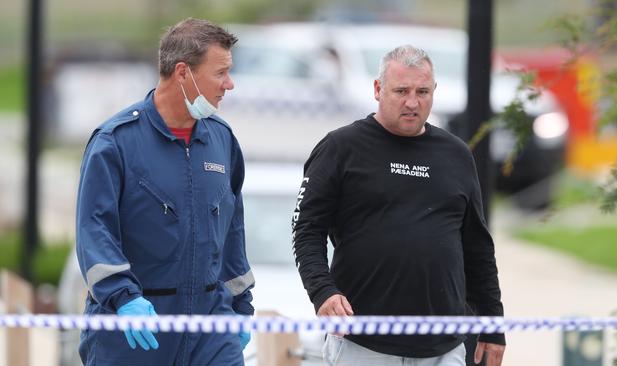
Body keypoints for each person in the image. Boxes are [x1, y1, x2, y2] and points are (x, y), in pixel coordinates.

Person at [291, 45, 506, 366]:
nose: (412, 102)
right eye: (401, 91)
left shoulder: (457, 154)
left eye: (422, 92)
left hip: (443, 346)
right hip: (362, 341)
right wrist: (323, 292)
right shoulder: (341, 147)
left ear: (435, 91)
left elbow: (477, 248)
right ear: (378, 89)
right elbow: (306, 230)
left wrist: (493, 325)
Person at [75, 18, 254, 365]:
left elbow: (233, 230)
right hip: (135, 330)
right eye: (220, 73)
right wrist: (123, 297)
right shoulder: (115, 143)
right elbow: (93, 229)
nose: (229, 84)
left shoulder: (222, 140)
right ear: (183, 72)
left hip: (212, 331)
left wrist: (239, 307)